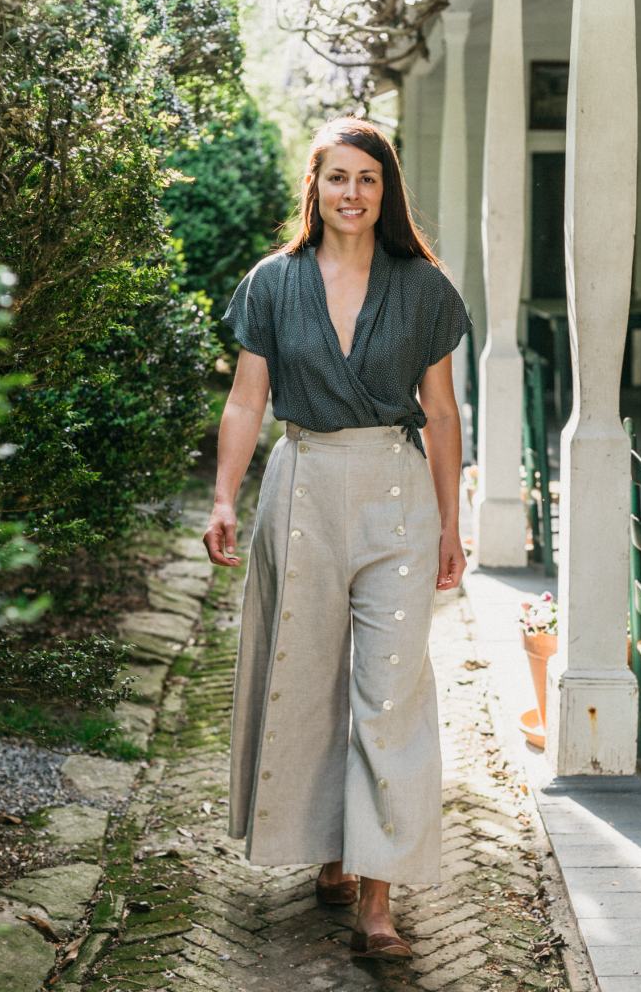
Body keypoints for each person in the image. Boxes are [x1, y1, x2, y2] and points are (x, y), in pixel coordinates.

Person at [202, 115, 473, 961]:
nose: (351, 194)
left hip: (395, 492)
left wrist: (450, 525)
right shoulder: (271, 283)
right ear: (312, 189)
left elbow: (438, 412)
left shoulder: (423, 287)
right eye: (336, 178)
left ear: (384, 191)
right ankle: (331, 852)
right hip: (302, 486)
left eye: (367, 179)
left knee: (388, 693)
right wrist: (222, 498)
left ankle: (378, 904)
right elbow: (248, 398)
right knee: (310, 677)